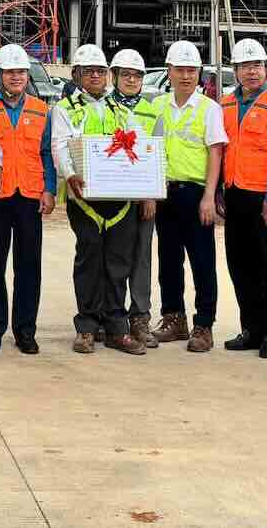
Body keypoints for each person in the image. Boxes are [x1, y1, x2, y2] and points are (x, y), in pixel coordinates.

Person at [54, 44, 153, 355]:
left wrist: (146, 189)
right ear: (77, 74)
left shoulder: (123, 112)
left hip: (119, 201)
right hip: (83, 199)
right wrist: (69, 175)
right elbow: (59, 146)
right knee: (88, 261)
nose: (95, 75)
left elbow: (141, 149)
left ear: (108, 75)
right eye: (88, 71)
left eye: (100, 71)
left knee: (117, 264)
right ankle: (86, 327)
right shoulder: (64, 109)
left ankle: (115, 327)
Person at [0, 43, 55, 355]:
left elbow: (46, 153)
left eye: (21, 71)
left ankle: (25, 331)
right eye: (9, 72)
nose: (16, 77)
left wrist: (49, 189)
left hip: (30, 196)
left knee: (28, 265)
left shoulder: (41, 109)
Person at [218, 38, 267, 360]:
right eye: (246, 66)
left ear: (265, 68)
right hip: (235, 195)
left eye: (258, 66)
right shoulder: (224, 105)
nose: (252, 71)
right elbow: (221, 151)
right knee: (241, 264)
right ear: (235, 70)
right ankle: (251, 328)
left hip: (265, 199)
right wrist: (221, 191)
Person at [148, 41, 228, 354]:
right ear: (168, 72)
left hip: (196, 194)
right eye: (179, 70)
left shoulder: (209, 109)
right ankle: (174, 318)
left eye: (191, 70)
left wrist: (209, 197)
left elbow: (216, 152)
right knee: (168, 260)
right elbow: (148, 151)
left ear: (199, 74)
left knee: (202, 261)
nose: (185, 76)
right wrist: (150, 193)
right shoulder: (157, 107)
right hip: (164, 192)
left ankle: (204, 324)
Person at [107, 48, 158, 348]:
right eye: (125, 74)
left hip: (142, 199)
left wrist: (151, 195)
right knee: (112, 260)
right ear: (115, 76)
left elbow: (157, 155)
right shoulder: (103, 107)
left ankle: (140, 317)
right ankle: (111, 317)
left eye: (136, 75)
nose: (131, 80)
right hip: (112, 197)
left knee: (141, 259)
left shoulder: (151, 111)